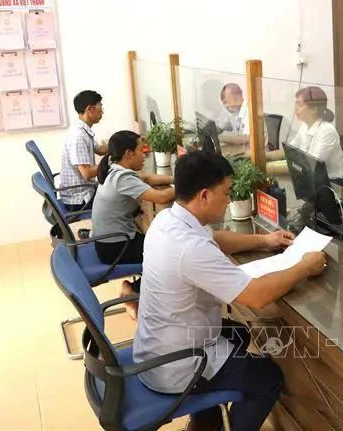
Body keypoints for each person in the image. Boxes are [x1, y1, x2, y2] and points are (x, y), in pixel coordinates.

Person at [133, 151, 326, 431]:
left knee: (239, 333)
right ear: (204, 196)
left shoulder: (169, 221)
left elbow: (216, 239)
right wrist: (305, 266)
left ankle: (205, 420)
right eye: (225, 193)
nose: (229, 199)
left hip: (157, 347)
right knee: (267, 378)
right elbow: (257, 296)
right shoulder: (190, 249)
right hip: (177, 365)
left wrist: (265, 240)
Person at [92, 130, 175, 319]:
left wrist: (175, 179)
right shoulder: (122, 178)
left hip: (108, 242)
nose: (144, 154)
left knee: (163, 247)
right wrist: (189, 186)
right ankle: (133, 290)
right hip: (116, 247)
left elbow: (146, 179)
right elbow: (161, 198)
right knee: (169, 255)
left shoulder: (114, 168)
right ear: (129, 154)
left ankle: (137, 290)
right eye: (141, 150)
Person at [266, 86, 343, 182]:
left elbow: (310, 166)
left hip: (333, 182)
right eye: (295, 104)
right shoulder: (304, 126)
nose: (295, 109)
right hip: (311, 178)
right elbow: (289, 152)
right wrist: (263, 156)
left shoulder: (327, 131)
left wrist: (267, 168)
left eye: (300, 105)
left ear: (314, 109)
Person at [60, 90, 108, 211]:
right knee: (120, 200)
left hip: (84, 192)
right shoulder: (79, 137)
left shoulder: (83, 130)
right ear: (90, 109)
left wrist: (123, 143)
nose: (102, 111)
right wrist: (112, 164)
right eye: (100, 107)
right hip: (79, 200)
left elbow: (101, 150)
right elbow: (86, 173)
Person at [214, 83, 268, 147]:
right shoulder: (231, 110)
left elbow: (247, 138)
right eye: (233, 93)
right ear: (224, 100)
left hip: (257, 152)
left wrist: (219, 138)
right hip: (241, 149)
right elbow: (218, 128)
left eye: (238, 92)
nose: (237, 95)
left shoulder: (250, 109)